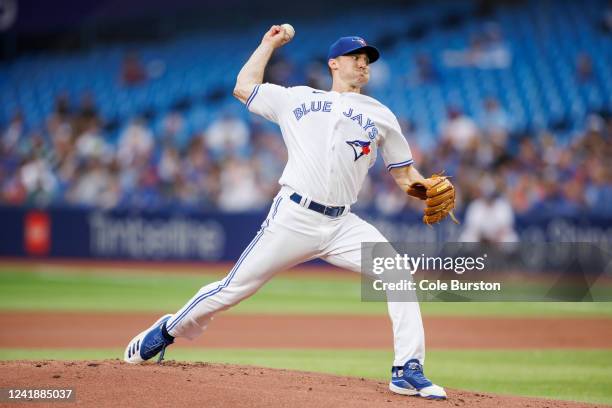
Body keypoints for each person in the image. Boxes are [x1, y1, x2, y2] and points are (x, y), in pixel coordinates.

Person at [124, 26, 448, 400]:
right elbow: (243, 86)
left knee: (397, 272)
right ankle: (167, 330)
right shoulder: (297, 98)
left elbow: (405, 174)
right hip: (294, 216)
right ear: (333, 64)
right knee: (232, 290)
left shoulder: (380, 114)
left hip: (342, 223)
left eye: (367, 60)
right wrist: (268, 44)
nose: (363, 64)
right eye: (356, 58)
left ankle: (407, 370)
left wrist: (424, 190)